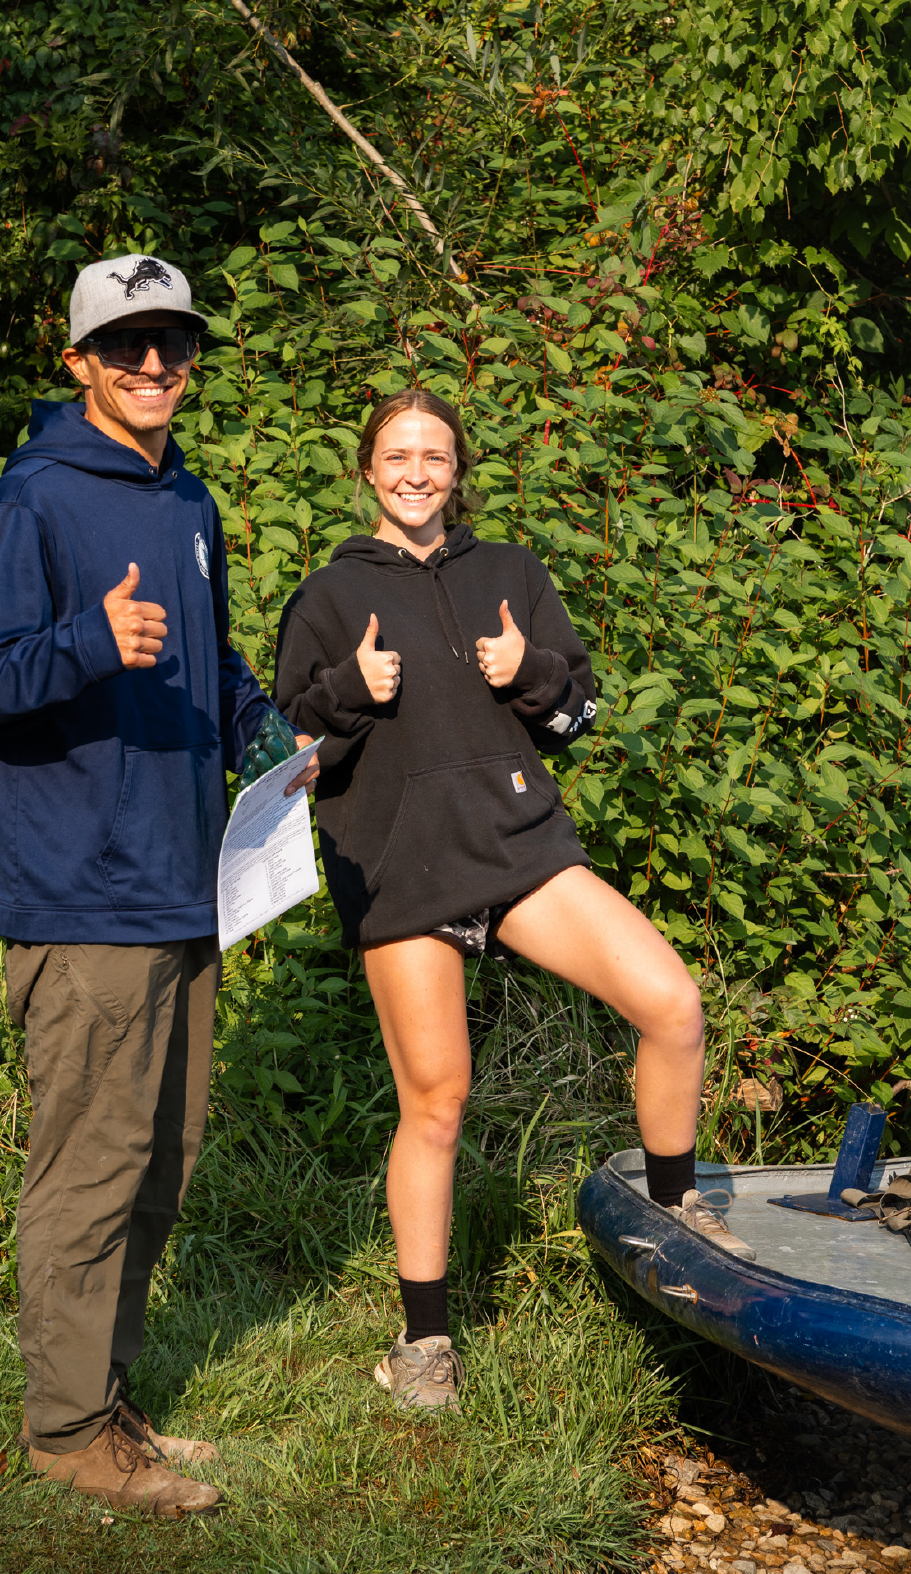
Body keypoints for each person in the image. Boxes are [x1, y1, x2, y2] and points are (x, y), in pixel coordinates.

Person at [0, 254, 316, 1513]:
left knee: (160, 1158)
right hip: (77, 887)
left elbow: (205, 659)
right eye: (130, 344)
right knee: (87, 1169)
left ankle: (107, 1398)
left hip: (178, 878)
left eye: (176, 344)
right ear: (79, 359)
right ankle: (64, 1431)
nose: (157, 366)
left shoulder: (185, 499)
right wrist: (88, 643)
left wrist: (263, 732)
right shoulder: (26, 504)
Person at [273, 388, 753, 1413]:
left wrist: (524, 669)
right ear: (366, 469)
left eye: (433, 455)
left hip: (516, 847)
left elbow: (576, 711)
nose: (415, 471)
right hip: (400, 869)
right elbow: (290, 751)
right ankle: (424, 1339)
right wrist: (352, 688)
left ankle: (677, 1214)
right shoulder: (326, 595)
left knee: (671, 1003)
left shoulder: (509, 572)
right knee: (436, 1102)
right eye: (396, 453)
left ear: (457, 469)